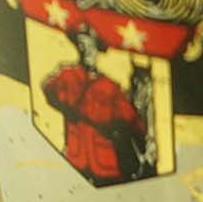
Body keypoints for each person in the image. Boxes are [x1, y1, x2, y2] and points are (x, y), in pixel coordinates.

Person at [41, 27, 151, 185]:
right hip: (76, 159)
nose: (86, 50)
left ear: (97, 50)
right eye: (81, 45)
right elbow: (50, 91)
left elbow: (131, 119)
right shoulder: (68, 75)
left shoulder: (110, 87)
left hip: (105, 164)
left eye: (90, 46)